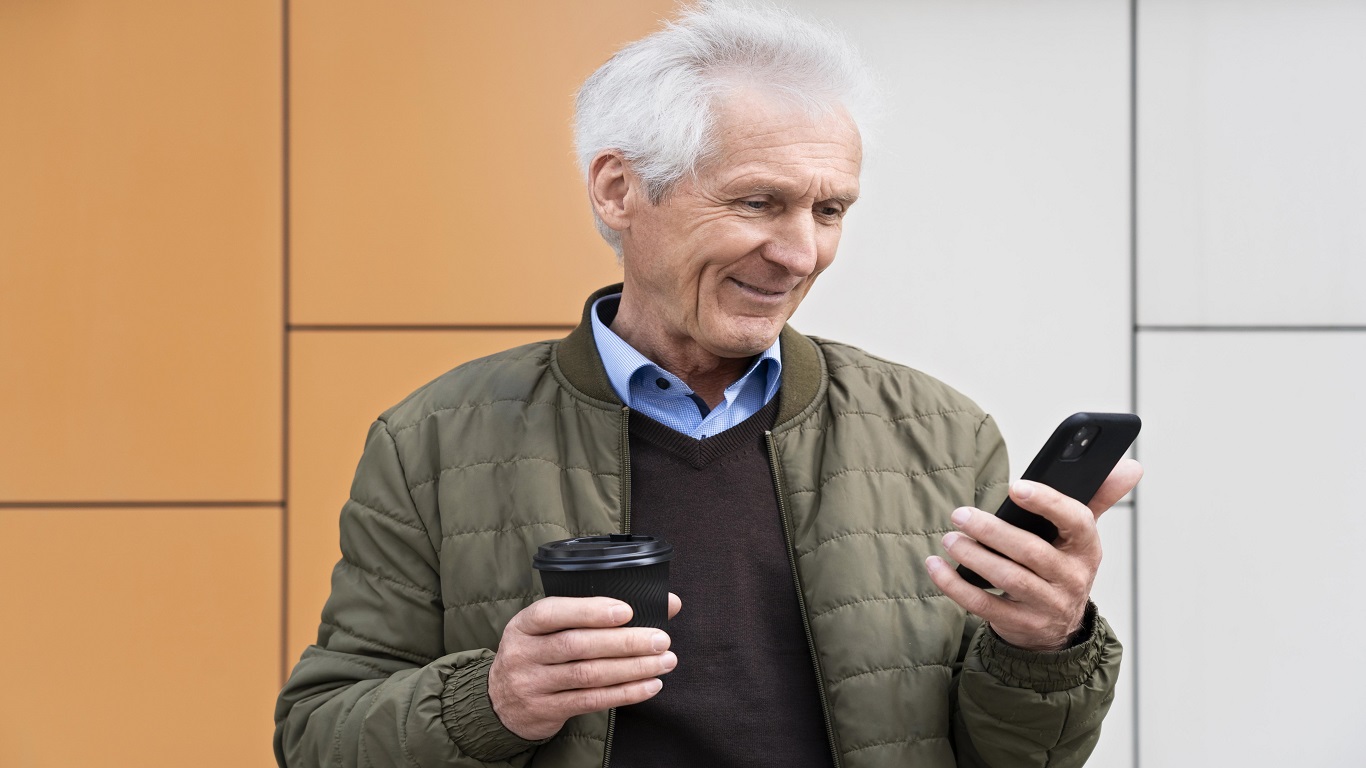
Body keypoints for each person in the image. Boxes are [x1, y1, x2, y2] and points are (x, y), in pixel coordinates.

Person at [274, 5, 1142, 768]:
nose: (801, 253)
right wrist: (494, 701)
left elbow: (1015, 758)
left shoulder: (944, 433)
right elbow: (317, 737)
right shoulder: (431, 440)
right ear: (619, 190)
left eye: (829, 210)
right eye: (759, 202)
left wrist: (1044, 646)